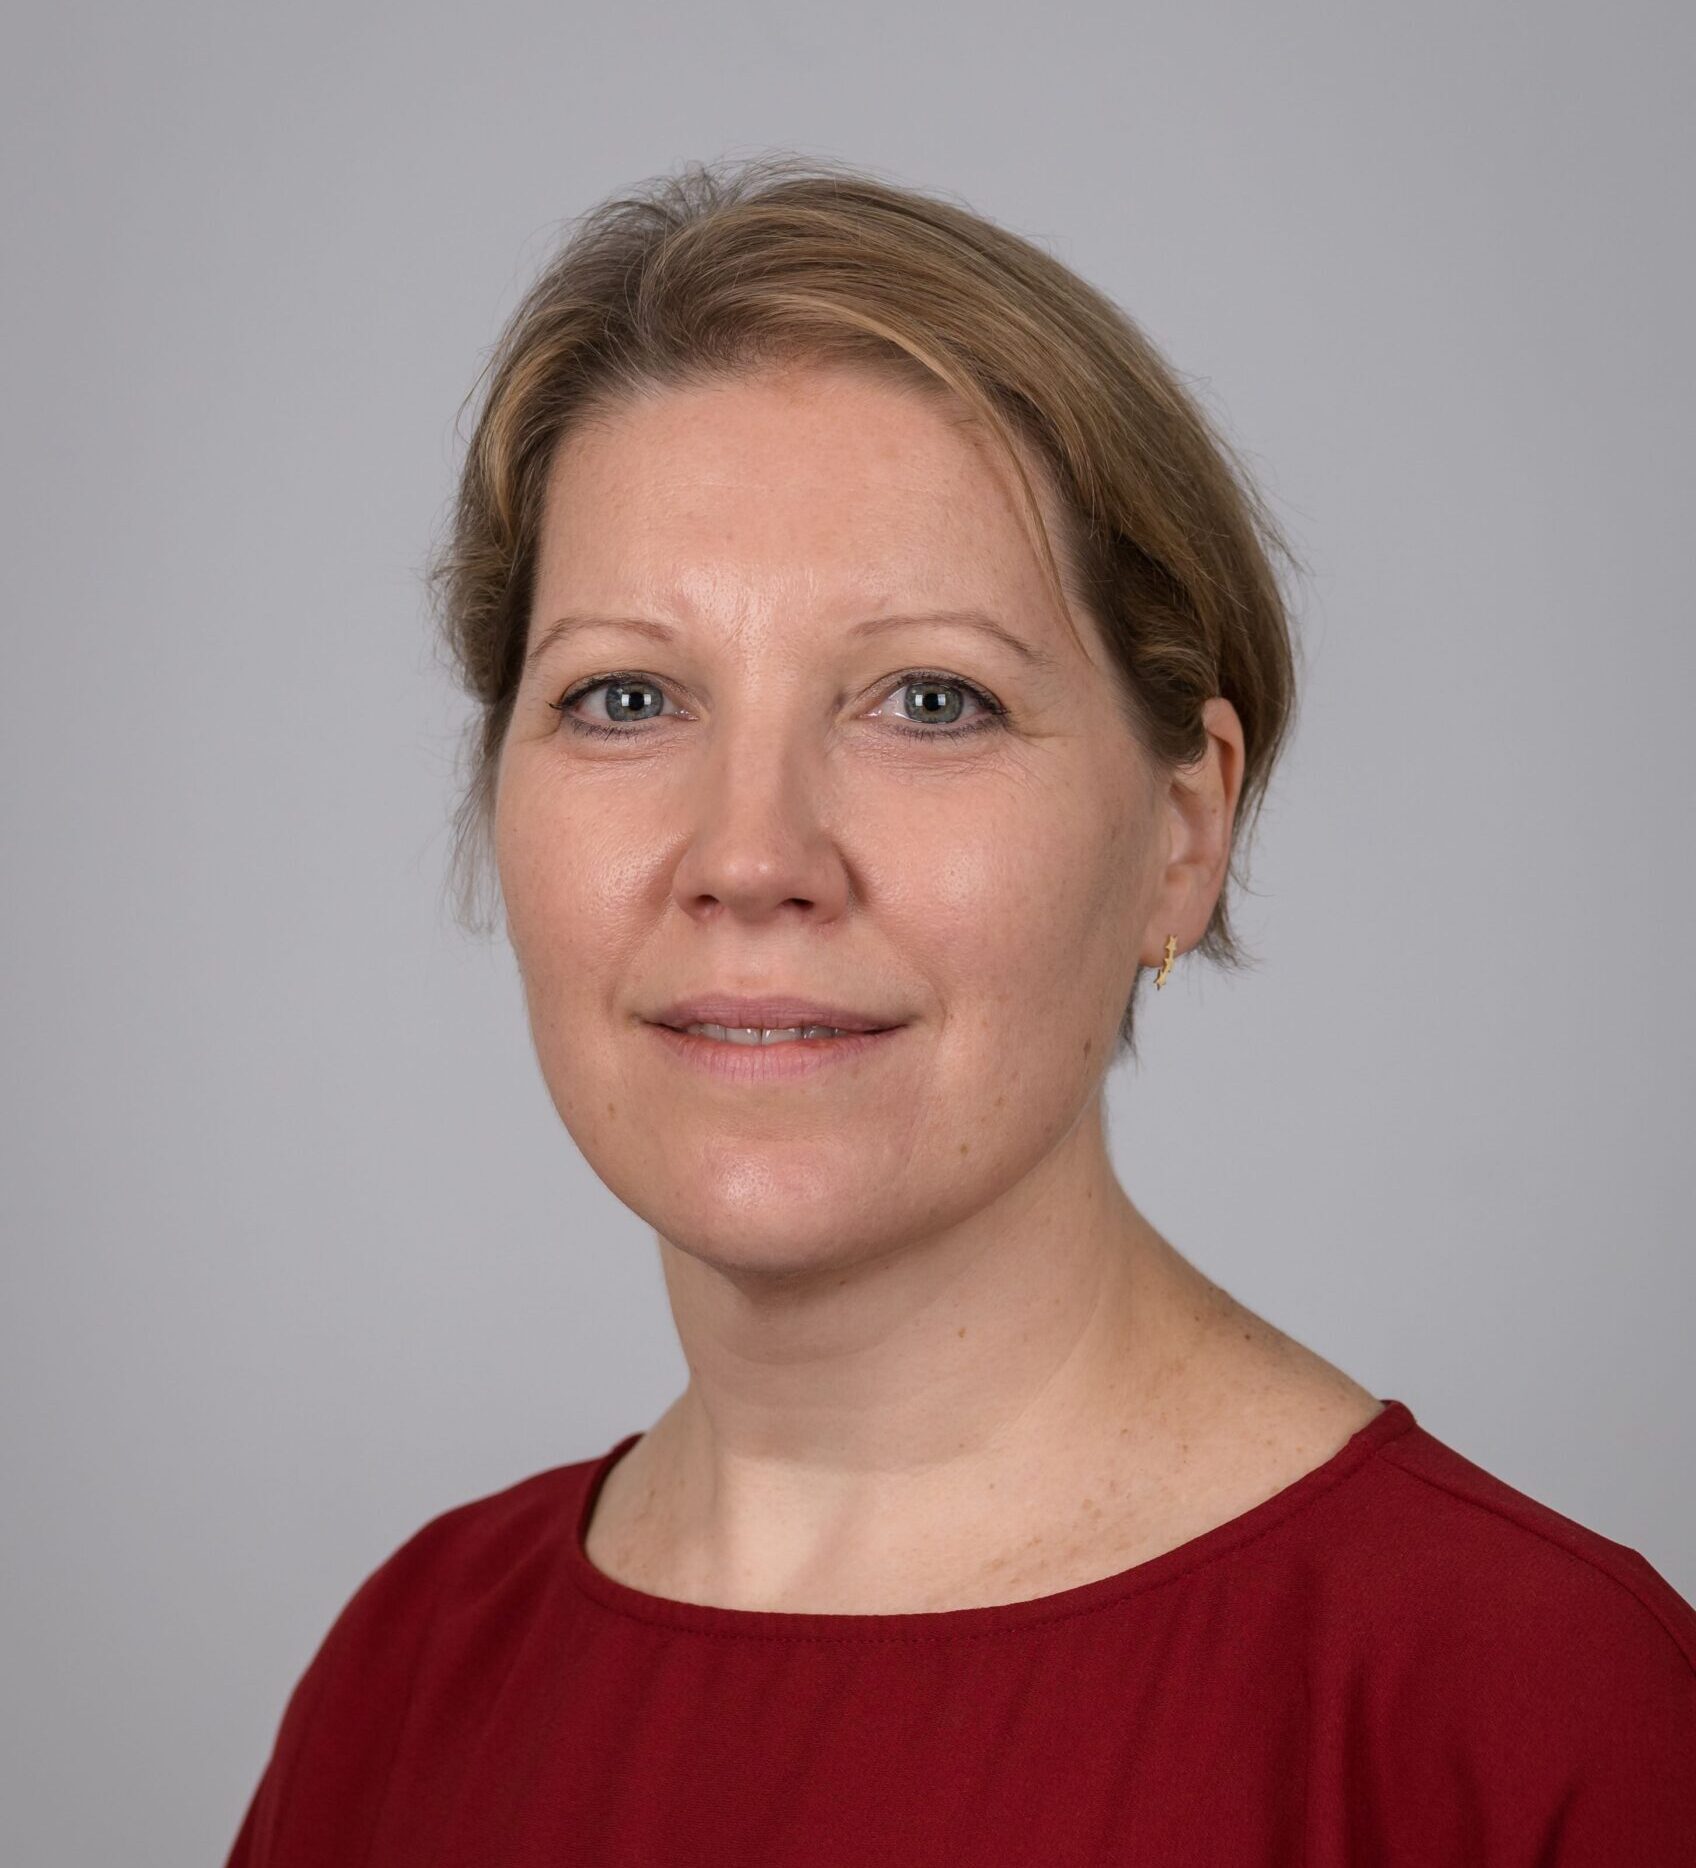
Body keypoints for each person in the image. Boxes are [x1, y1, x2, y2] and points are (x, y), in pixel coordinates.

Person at [223, 155, 1696, 1864]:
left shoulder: (1529, 1711)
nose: (752, 854)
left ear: (1182, 832)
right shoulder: (408, 1677)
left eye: (933, 699)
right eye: (626, 696)